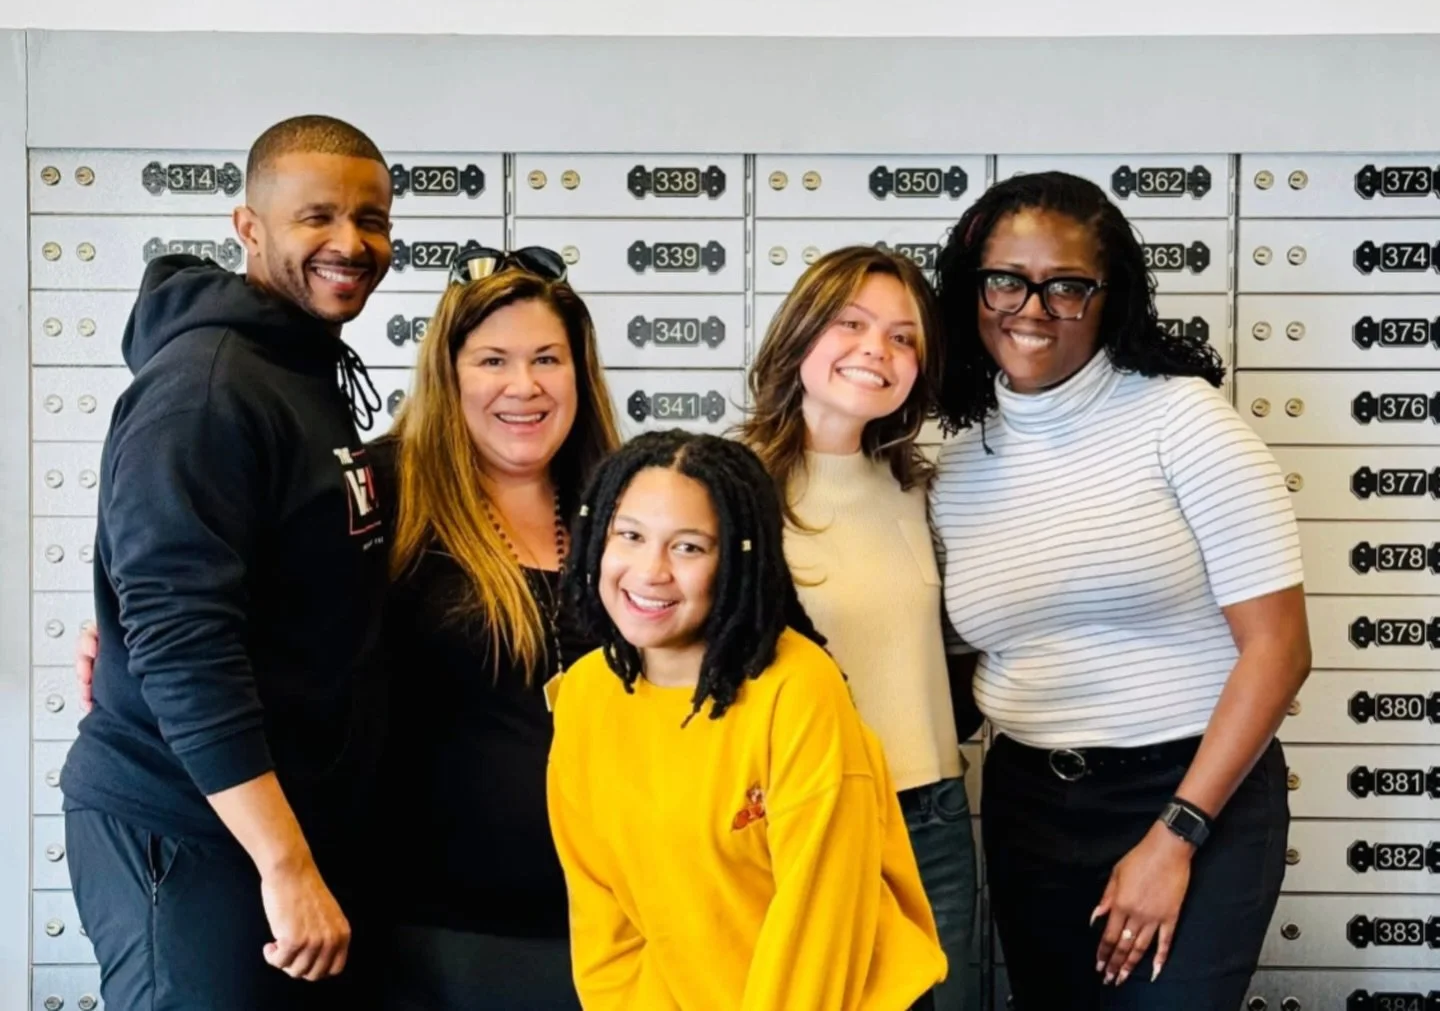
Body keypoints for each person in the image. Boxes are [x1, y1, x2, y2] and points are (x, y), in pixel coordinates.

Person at [929, 172, 1310, 1010]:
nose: (1032, 307)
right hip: (1030, 805)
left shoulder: (1185, 421)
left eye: (1066, 284)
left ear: (1109, 297)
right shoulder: (950, 456)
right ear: (971, 289)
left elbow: (1279, 650)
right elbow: (955, 670)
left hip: (1192, 794)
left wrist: (1176, 833)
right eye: (1006, 279)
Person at [61, 115, 396, 1010]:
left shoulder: (296, 366)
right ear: (248, 227)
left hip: (256, 829)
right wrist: (283, 865)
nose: (351, 243)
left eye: (372, 219)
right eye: (317, 216)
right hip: (189, 828)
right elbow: (181, 641)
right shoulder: (208, 387)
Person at [548, 430, 948, 1011]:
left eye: (688, 547)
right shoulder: (585, 695)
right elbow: (606, 924)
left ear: (738, 559)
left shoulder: (799, 688)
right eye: (630, 536)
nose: (651, 570)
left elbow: (820, 923)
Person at [376, 245, 621, 1011]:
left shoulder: (623, 500)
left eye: (547, 357)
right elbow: (222, 608)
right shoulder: (387, 493)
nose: (525, 385)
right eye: (493, 360)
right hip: (439, 936)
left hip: (612, 928)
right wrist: (115, 648)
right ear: (448, 374)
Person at [738, 246, 980, 1011]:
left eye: (904, 336)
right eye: (851, 322)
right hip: (804, 822)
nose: (878, 349)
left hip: (932, 816)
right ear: (800, 333)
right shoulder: (727, 484)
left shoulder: (920, 485)